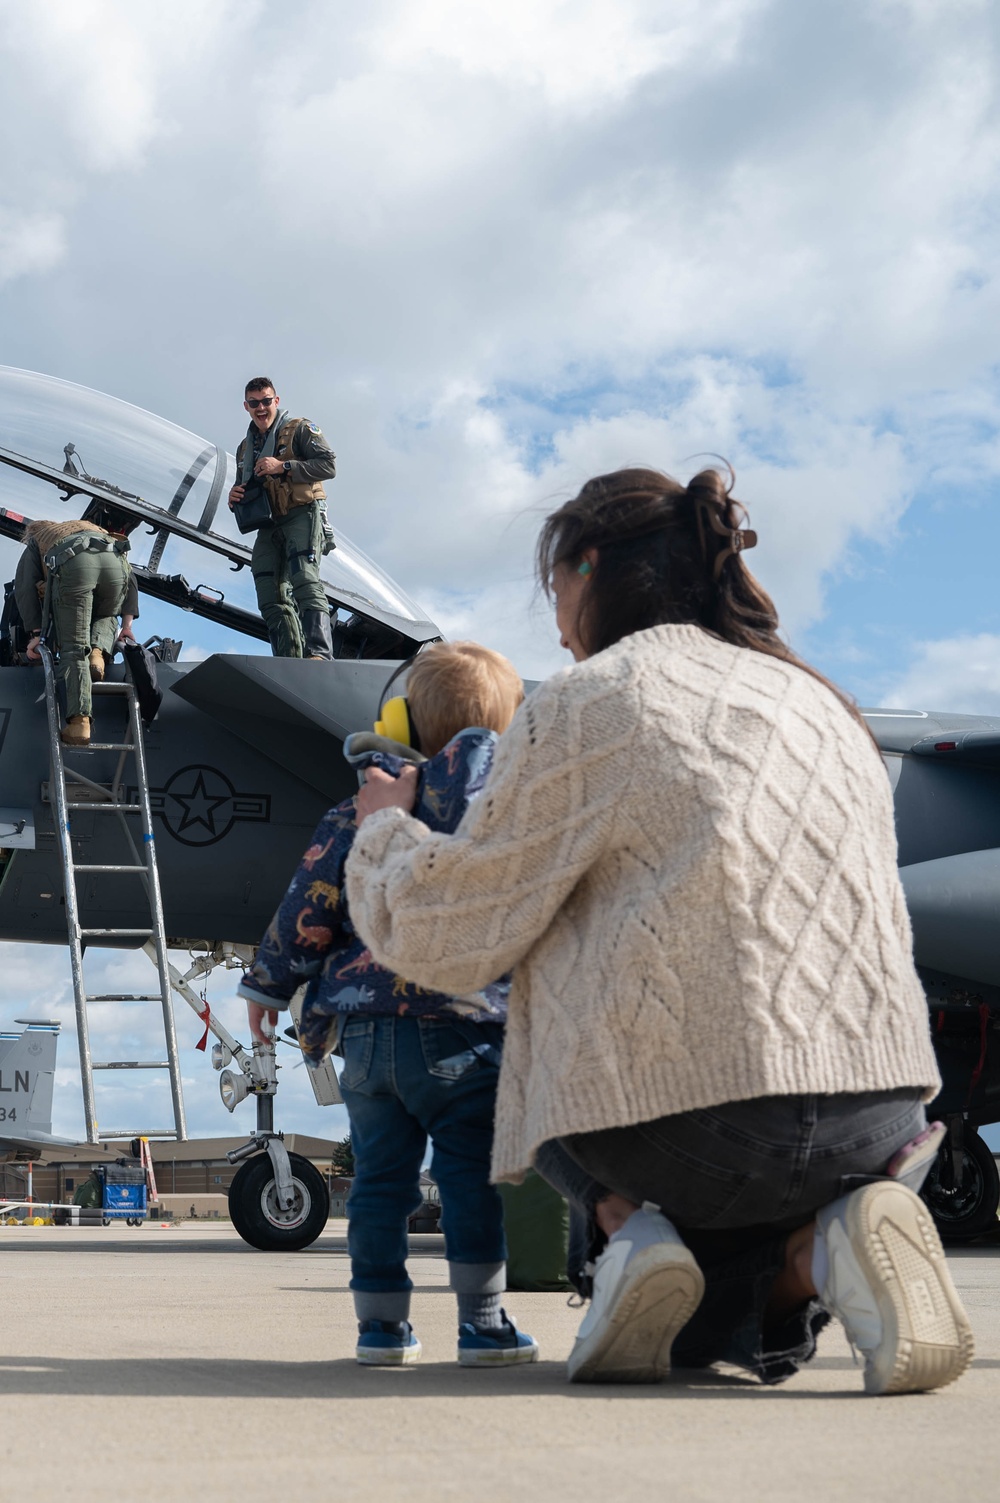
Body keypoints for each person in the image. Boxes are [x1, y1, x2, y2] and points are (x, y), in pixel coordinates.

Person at [344, 465, 974, 1394]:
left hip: (688, 1138)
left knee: (527, 966)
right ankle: (824, 1248)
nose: (553, 619)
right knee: (690, 1339)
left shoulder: (585, 699)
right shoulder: (824, 702)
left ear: (590, 569)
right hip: (880, 1117)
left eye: (554, 585)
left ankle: (628, 1229)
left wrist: (382, 831)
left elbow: (451, 937)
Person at [240, 641, 538, 1368]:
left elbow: (310, 901)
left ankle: (381, 1329)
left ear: (401, 718)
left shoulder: (363, 806)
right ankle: (483, 1326)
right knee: (470, 1180)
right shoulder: (514, 809)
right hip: (464, 1032)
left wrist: (267, 984)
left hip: (367, 1038)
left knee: (378, 1183)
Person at [227, 376, 337, 660]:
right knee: (268, 591)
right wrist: (235, 496)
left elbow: (328, 465)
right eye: (254, 403)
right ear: (246, 406)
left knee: (304, 578)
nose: (261, 408)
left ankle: (319, 654)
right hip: (269, 523)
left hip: (302, 513)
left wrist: (284, 465)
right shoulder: (245, 448)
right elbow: (248, 485)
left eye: (266, 401)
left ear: (276, 401)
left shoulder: (299, 429)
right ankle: (289, 660)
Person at [15, 518, 137, 746]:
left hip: (75, 565)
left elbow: (24, 588)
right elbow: (130, 580)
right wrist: (127, 627)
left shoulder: (38, 540)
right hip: (114, 562)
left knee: (73, 647)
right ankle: (98, 654)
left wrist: (36, 635)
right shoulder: (98, 532)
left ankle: (79, 723)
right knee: (105, 613)